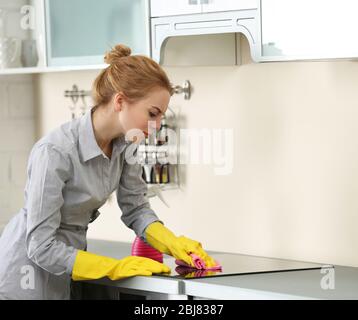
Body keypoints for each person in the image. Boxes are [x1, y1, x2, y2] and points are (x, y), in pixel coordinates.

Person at [0, 44, 216, 300]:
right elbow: (40, 245)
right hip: (26, 277)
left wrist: (172, 243)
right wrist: (112, 267)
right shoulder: (55, 152)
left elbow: (135, 208)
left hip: (72, 263)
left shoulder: (127, 145)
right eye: (152, 114)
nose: (157, 126)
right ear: (120, 101)